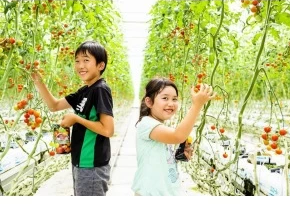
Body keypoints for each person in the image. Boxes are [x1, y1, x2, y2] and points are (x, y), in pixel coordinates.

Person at [31, 40, 114, 196]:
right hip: (80, 163)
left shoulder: (101, 89)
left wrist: (76, 119)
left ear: (100, 65)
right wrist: (37, 78)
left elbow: (108, 130)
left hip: (92, 165)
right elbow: (54, 105)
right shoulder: (84, 91)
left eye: (86, 60)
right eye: (77, 61)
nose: (80, 65)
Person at [131, 77, 216, 196]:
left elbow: (160, 156)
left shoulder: (159, 126)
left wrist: (178, 155)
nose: (171, 103)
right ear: (149, 102)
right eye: (165, 98)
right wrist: (197, 105)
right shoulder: (146, 124)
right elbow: (178, 136)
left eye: (174, 99)